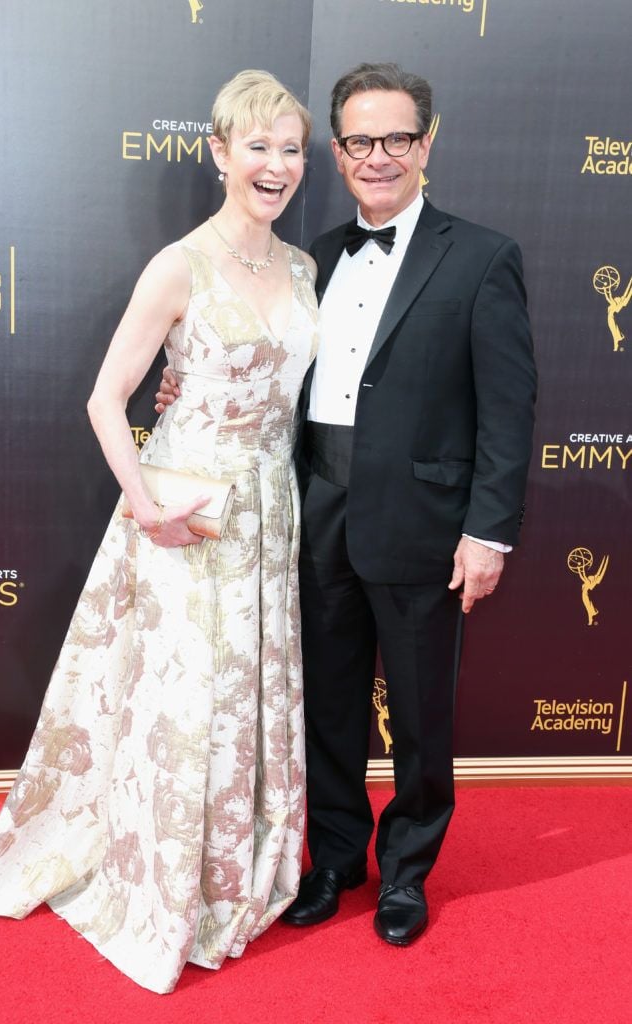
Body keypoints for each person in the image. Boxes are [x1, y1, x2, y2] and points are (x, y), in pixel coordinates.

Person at [157, 60, 537, 949]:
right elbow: (257, 360)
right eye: (358, 140)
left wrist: (488, 531)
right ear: (335, 150)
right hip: (310, 502)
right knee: (324, 704)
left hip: (422, 519)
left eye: (396, 138)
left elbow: (509, 409)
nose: (377, 156)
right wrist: (189, 386)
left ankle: (406, 872)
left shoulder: (482, 257)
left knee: (416, 711)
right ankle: (332, 859)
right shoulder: (307, 257)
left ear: (425, 143)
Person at [0, 69, 318, 994]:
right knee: (180, 705)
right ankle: (158, 883)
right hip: (185, 516)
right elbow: (106, 399)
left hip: (270, 509)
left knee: (247, 697)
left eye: (291, 150)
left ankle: (232, 873)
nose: (274, 167)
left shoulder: (304, 266)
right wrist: (148, 505)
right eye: (257, 148)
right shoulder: (178, 264)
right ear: (218, 153)